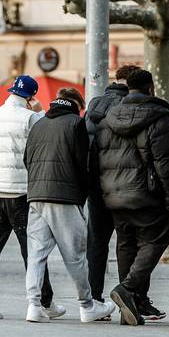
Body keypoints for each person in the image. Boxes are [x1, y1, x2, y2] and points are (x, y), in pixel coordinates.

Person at [96, 68, 169, 325]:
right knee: (156, 240)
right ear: (151, 88)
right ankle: (127, 288)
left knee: (126, 244)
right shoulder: (159, 118)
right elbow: (166, 163)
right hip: (146, 195)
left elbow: (99, 158)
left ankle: (128, 309)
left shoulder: (108, 118)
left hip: (114, 195)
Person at [0, 75, 62, 320]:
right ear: (31, 97)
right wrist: (41, 111)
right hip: (22, 194)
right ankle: (42, 303)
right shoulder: (31, 118)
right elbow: (45, 144)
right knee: (33, 250)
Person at [23, 88, 116, 323]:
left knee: (36, 254)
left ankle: (33, 305)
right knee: (75, 256)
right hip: (64, 196)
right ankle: (87, 306)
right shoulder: (76, 124)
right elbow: (82, 163)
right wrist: (83, 194)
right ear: (76, 105)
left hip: (36, 195)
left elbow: (27, 159)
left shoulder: (38, 123)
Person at [84, 64, 140, 303]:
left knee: (96, 243)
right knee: (127, 242)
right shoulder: (130, 107)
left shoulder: (93, 106)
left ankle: (94, 298)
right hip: (123, 185)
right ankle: (128, 297)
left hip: (96, 186)